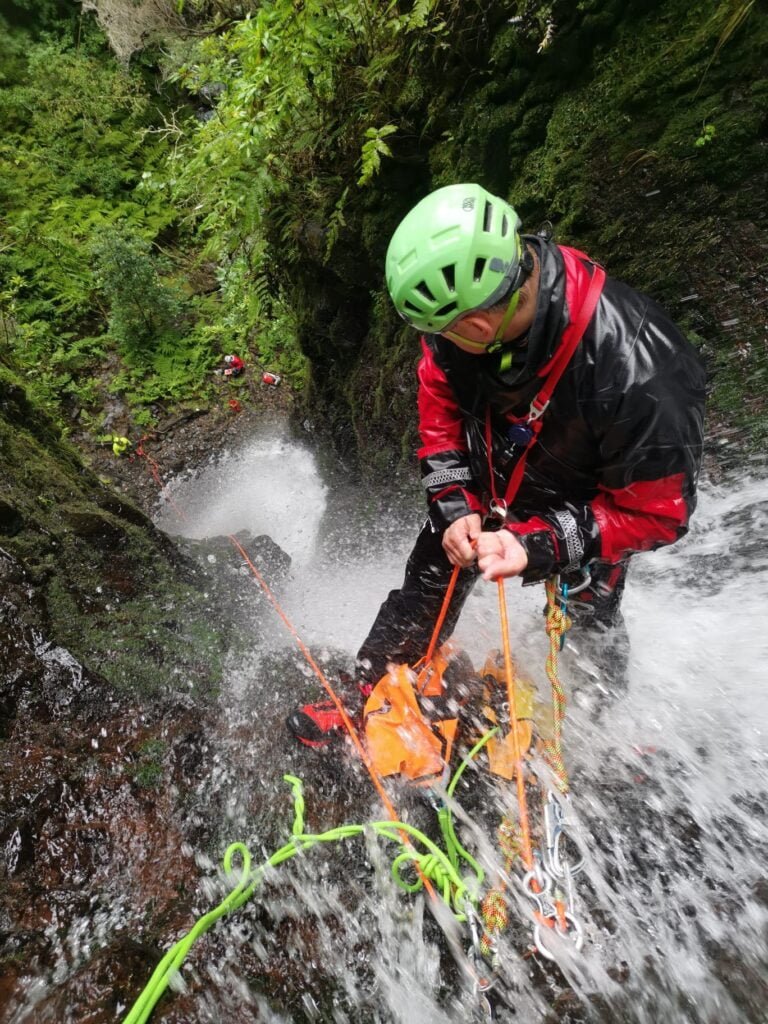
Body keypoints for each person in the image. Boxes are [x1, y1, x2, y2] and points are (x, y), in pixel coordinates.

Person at [287, 182, 706, 748]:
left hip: (585, 511)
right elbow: (438, 403)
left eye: (444, 332)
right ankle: (373, 694)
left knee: (589, 613)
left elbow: (658, 513)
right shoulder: (469, 323)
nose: (434, 344)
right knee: (431, 575)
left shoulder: (641, 371)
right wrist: (454, 497)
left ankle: (593, 738)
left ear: (477, 326)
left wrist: (542, 545)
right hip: (490, 483)